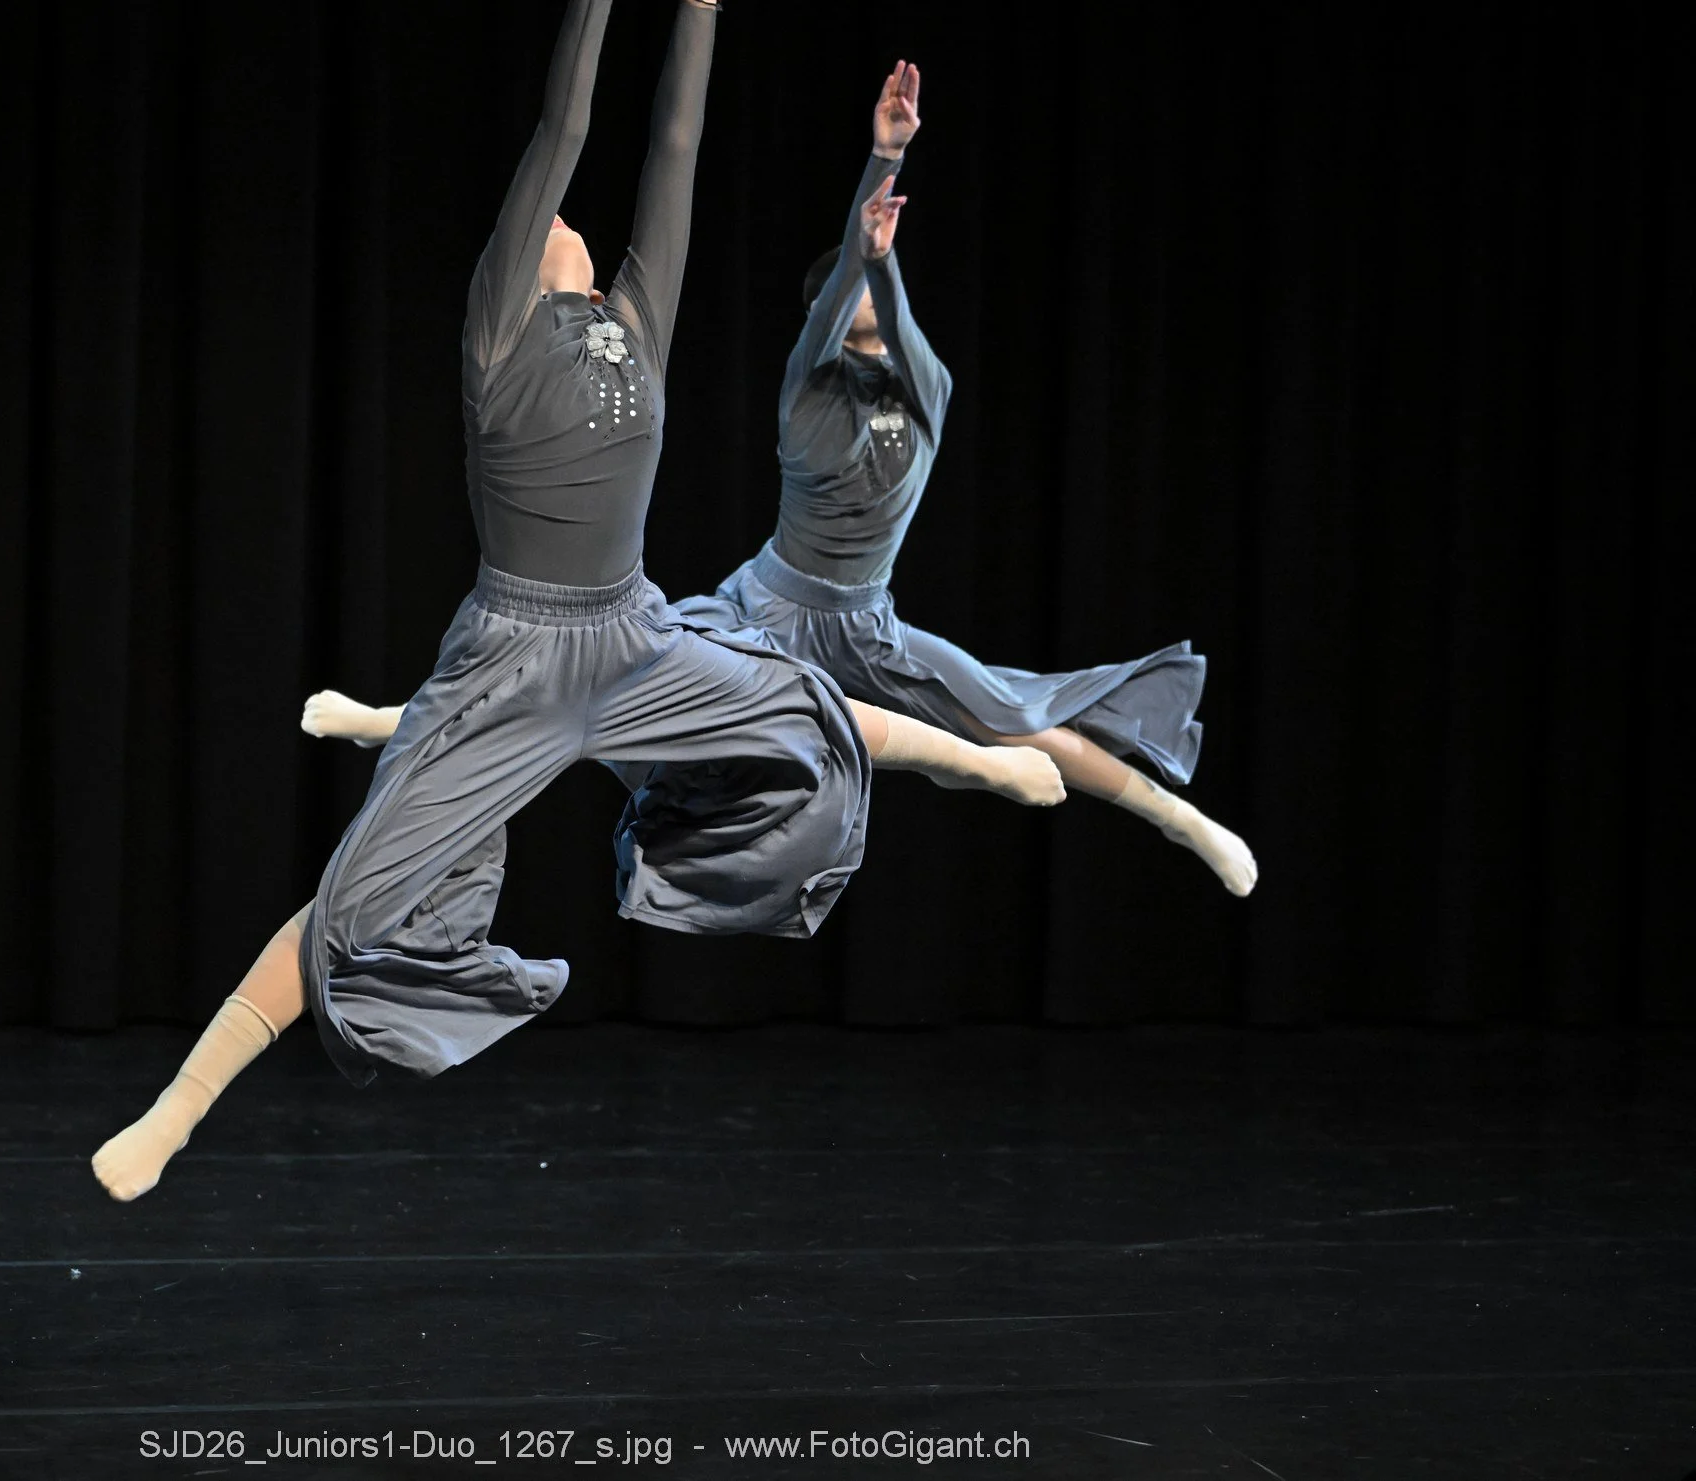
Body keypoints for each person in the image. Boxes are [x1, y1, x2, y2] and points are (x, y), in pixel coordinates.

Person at [93, 2, 1058, 1205]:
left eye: (564, 218)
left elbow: (674, 148)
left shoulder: (636, 324)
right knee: (357, 892)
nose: (558, 216)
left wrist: (702, 17)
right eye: (543, 217)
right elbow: (564, 126)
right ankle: (175, 1111)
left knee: (798, 704)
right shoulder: (498, 330)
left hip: (631, 636)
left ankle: (974, 760)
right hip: (513, 651)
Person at [304, 60, 1256, 897]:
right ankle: (396, 719)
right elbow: (840, 297)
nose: (861, 301)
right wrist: (878, 178)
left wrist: (883, 258)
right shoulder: (809, 392)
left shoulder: (925, 390)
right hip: (769, 607)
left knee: (1016, 724)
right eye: (849, 299)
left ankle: (1182, 821)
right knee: (602, 693)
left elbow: (894, 317)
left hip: (869, 622)